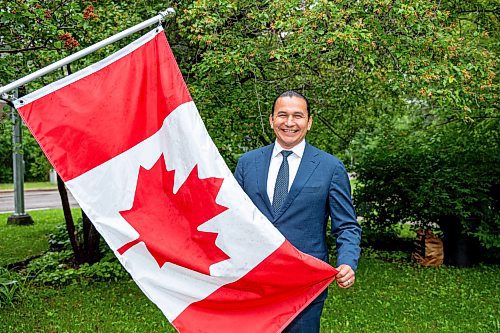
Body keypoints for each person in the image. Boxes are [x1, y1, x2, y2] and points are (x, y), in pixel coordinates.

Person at [234, 91, 361, 333]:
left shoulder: (330, 167)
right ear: (271, 120)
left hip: (306, 286)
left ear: (309, 122)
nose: (289, 123)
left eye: (297, 116)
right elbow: (232, 219)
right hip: (254, 281)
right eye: (282, 115)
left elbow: (347, 226)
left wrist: (347, 262)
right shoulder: (247, 163)